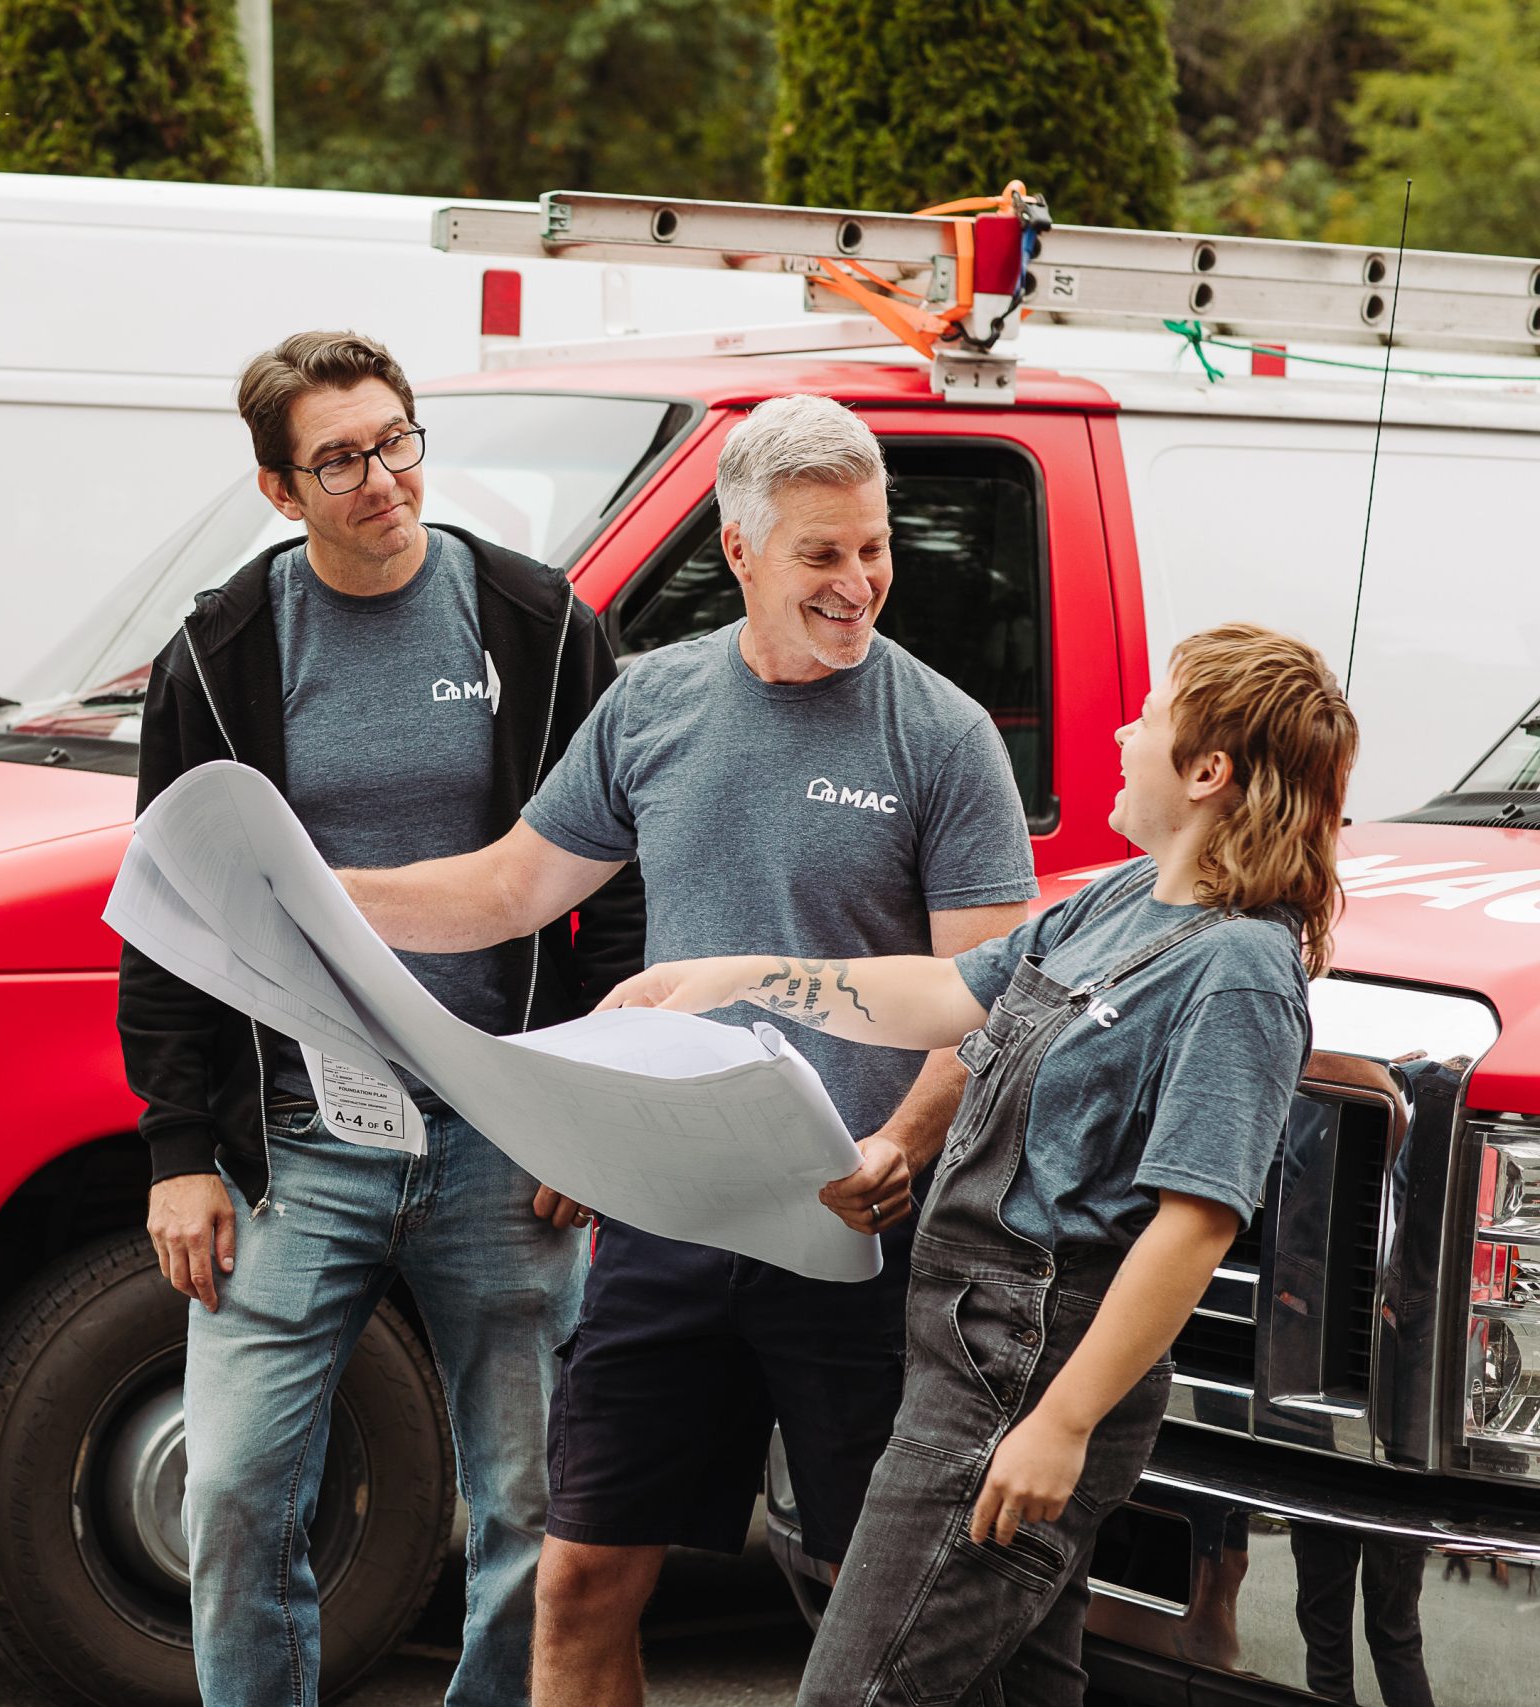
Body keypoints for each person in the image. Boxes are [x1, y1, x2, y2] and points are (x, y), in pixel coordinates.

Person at [338, 392, 1037, 1706]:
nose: (859, 581)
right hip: (669, 1229)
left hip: (855, 1239)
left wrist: (901, 1139)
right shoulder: (653, 703)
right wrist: (324, 894)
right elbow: (506, 891)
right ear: (741, 550)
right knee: (580, 1585)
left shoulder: (939, 736)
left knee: (864, 1614)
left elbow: (983, 998)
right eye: (823, 553)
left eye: (874, 547)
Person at [604, 622, 1358, 1706]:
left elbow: (1193, 1226)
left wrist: (1059, 1426)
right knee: (1019, 1688)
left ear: (1207, 771)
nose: (1119, 729)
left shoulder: (1238, 972)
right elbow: (950, 996)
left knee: (856, 1692)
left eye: (1145, 715)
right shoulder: (1117, 903)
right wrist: (738, 975)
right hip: (966, 1351)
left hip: (1025, 1375)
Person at [117, 328, 645, 1707]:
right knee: (232, 1495)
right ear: (279, 491)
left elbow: (622, 890)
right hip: (293, 1139)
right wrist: (179, 1146)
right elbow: (171, 914)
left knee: (529, 1515)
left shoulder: (538, 623)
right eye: (339, 458)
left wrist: (576, 1110)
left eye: (395, 439)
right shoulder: (221, 652)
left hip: (502, 1134)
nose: (382, 478)